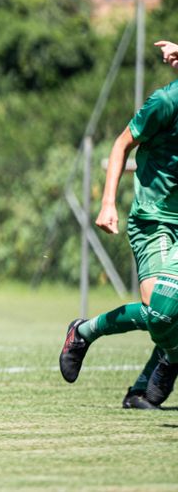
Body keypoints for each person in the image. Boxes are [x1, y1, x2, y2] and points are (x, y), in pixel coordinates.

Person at [59, 39, 178, 409]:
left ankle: (148, 383)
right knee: (161, 312)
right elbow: (120, 145)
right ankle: (85, 332)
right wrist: (108, 202)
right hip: (154, 219)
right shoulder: (165, 103)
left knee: (168, 311)